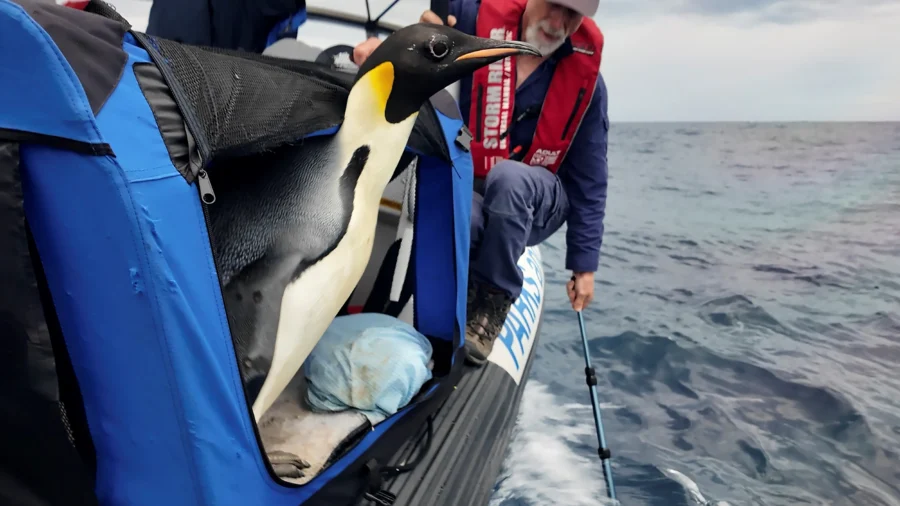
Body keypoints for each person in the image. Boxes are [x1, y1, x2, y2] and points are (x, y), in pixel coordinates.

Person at [354, 0, 609, 367]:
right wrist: (385, 51)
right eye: (553, 5)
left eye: (572, 14)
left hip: (540, 198)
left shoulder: (589, 82)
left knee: (509, 177)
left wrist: (584, 267)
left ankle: (494, 299)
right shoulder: (476, 23)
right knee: (464, 215)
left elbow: (590, 178)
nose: (558, 21)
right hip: (475, 184)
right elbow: (435, 23)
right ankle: (447, 303)